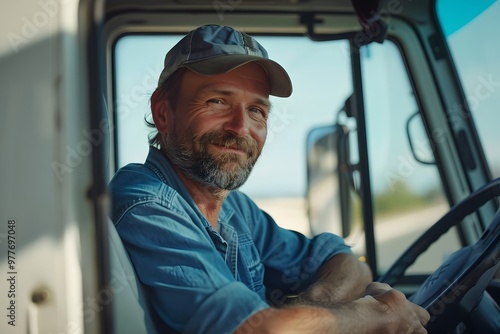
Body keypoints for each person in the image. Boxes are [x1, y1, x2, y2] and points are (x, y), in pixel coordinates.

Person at [108, 24, 430, 333]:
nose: (240, 127)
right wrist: (382, 316)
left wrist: (311, 306)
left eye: (257, 111)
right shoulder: (146, 202)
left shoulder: (235, 209)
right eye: (217, 101)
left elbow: (346, 262)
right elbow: (254, 331)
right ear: (163, 112)